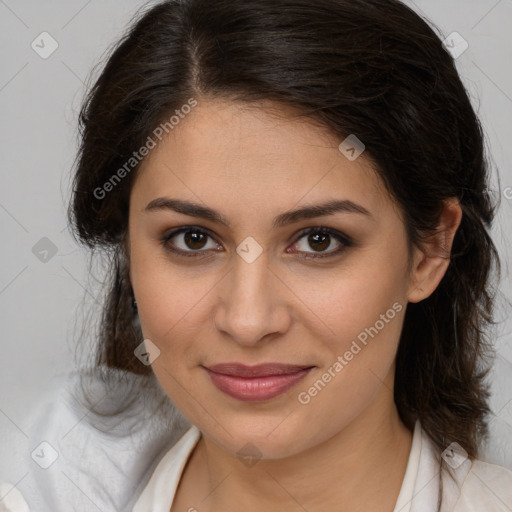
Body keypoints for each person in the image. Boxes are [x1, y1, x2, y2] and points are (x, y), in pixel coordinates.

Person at [1, 0, 511, 511]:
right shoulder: (44, 481)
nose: (248, 321)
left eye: (318, 240)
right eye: (193, 239)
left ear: (429, 250)